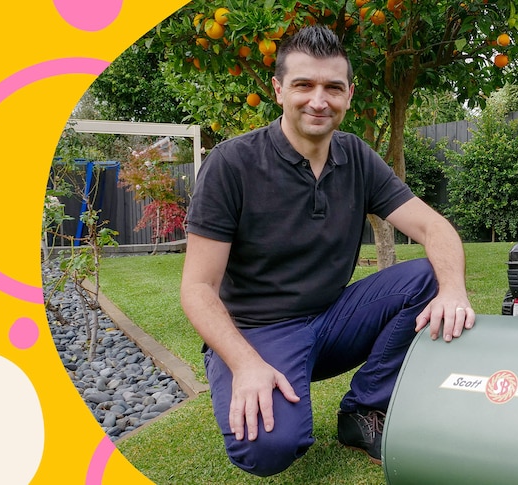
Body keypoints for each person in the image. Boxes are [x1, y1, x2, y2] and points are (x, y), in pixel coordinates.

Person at [180, 25, 475, 477]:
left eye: (332, 88)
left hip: (333, 317)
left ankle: (363, 410)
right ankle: (259, 378)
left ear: (349, 95)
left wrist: (454, 289)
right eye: (304, 85)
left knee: (431, 277)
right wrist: (245, 363)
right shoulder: (232, 164)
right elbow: (198, 288)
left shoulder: (356, 156)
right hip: (259, 331)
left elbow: (433, 226)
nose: (319, 100)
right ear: (279, 90)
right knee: (268, 449)